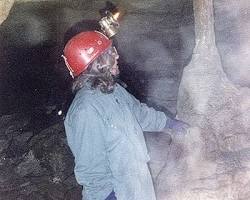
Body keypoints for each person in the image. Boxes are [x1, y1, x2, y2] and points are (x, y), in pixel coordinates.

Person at [62, 31, 189, 200]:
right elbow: (91, 169)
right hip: (116, 194)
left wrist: (169, 123)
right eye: (111, 53)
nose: (117, 56)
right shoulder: (86, 110)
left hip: (137, 188)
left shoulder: (114, 91)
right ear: (98, 63)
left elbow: (140, 114)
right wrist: (109, 196)